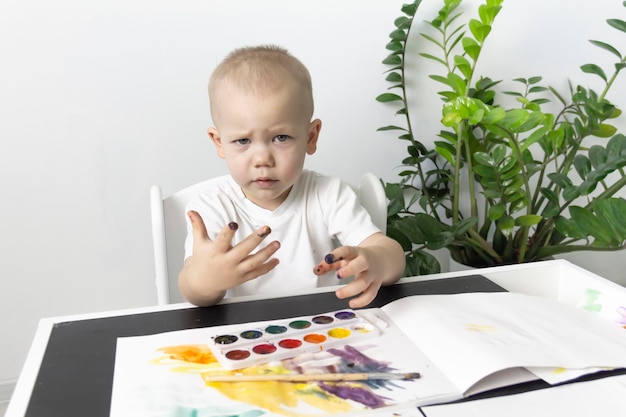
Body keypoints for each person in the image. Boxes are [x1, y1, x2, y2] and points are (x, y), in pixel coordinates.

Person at [178, 45, 405, 308]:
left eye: (280, 137)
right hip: (241, 336)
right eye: (242, 140)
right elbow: (190, 287)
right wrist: (205, 280)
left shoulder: (329, 195)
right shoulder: (210, 208)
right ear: (219, 142)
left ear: (311, 137)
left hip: (319, 331)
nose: (262, 158)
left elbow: (392, 255)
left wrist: (376, 260)